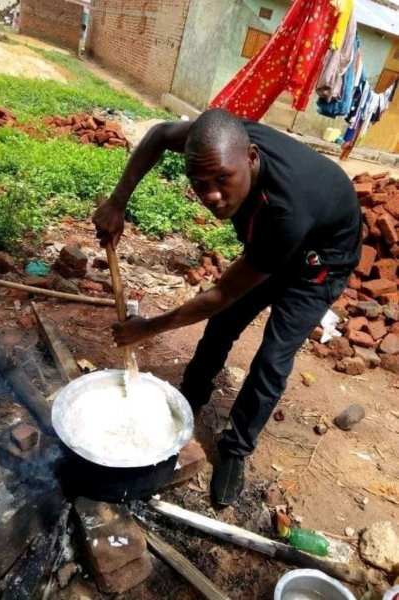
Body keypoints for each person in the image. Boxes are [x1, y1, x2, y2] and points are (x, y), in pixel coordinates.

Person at [93, 108, 362, 507]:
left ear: (251, 158)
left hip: (319, 262)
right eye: (199, 184)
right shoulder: (216, 141)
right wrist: (117, 202)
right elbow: (159, 134)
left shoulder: (285, 209)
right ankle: (192, 394)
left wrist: (148, 327)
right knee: (222, 325)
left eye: (223, 180)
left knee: (272, 357)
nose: (212, 196)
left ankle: (236, 449)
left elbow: (222, 293)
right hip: (275, 242)